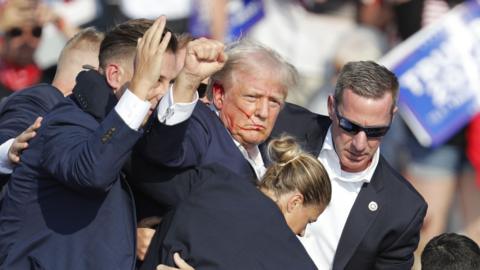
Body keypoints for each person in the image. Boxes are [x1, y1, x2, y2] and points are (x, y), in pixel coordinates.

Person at [0, 16, 225, 269]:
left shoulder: (130, 128)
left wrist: (187, 82)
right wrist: (140, 87)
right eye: (156, 79)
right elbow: (91, 171)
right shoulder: (64, 120)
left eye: (169, 82)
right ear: (115, 75)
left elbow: (162, 155)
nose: (163, 93)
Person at [269, 60, 427, 269]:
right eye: (349, 126)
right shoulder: (281, 123)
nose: (360, 144)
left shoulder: (402, 209)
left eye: (375, 132)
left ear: (392, 117)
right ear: (331, 107)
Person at [136, 135, 331, 270]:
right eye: (309, 221)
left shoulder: (214, 181)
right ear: (295, 202)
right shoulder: (294, 262)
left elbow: (147, 177)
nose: (303, 232)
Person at [0, 27, 103, 200]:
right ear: (93, 74)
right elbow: (14, 129)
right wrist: (10, 148)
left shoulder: (77, 111)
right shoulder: (42, 98)